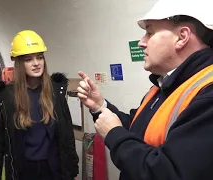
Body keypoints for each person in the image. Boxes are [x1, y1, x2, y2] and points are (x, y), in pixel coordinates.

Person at [77, 0, 213, 180]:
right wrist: (99, 106)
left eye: (149, 32)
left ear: (182, 37)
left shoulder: (207, 94)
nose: (141, 42)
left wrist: (114, 134)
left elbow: (167, 173)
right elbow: (136, 131)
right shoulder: (164, 86)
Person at [0, 30, 79, 180]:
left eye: (40, 57)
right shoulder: (6, 98)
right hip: (23, 171)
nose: (36, 63)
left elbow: (67, 134)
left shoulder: (55, 91)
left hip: (53, 170)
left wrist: (73, 170)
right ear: (19, 63)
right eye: (29, 59)